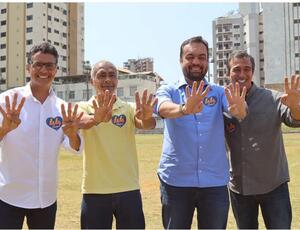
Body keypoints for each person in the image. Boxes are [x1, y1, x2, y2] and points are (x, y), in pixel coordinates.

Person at [154, 36, 247, 229]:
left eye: (202, 57)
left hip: (214, 182)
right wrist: (184, 109)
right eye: (190, 56)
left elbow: (236, 110)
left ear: (207, 62)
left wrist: (240, 109)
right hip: (176, 182)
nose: (196, 62)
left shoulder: (219, 92)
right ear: (181, 60)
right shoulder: (168, 89)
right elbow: (162, 108)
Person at [0, 42, 83, 229]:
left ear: (56, 70)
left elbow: (75, 148)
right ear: (29, 67)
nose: (43, 70)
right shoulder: (7, 101)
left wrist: (72, 135)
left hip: (45, 199)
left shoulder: (61, 107)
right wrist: (4, 128)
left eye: (49, 65)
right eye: (38, 64)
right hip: (9, 197)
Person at [224, 50, 300, 229]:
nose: (242, 74)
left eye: (247, 69)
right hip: (239, 188)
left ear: (253, 72)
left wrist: (296, 106)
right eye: (236, 69)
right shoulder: (223, 102)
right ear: (228, 73)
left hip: (274, 186)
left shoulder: (272, 98)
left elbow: (294, 120)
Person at [77, 60, 158, 229]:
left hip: (128, 189)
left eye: (112, 75)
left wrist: (147, 117)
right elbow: (81, 122)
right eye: (101, 75)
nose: (107, 79)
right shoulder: (83, 107)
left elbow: (146, 124)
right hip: (94, 191)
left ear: (117, 81)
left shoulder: (128, 108)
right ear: (92, 81)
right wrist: (96, 118)